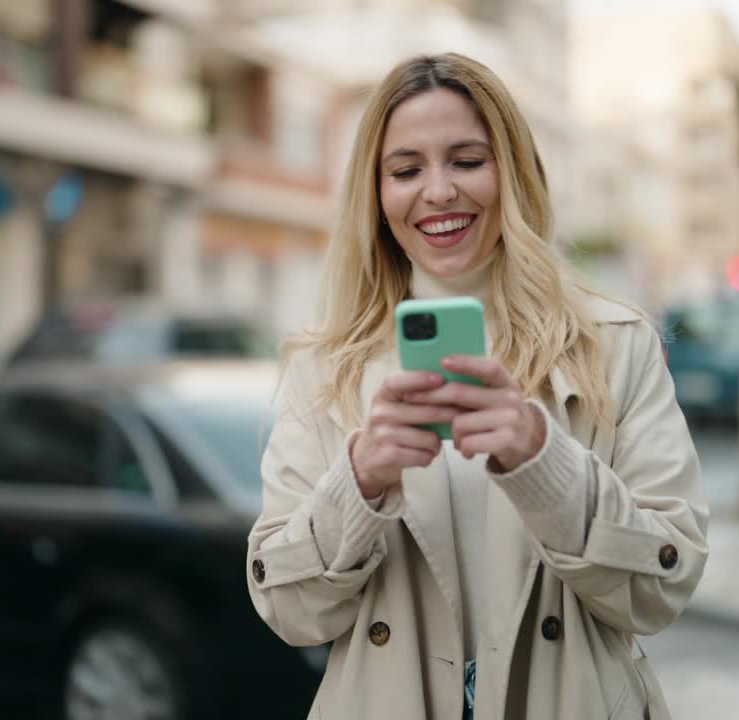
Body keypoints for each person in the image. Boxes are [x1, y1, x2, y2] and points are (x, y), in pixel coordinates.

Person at [246, 53, 707, 720]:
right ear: (375, 195)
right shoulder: (325, 366)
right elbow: (289, 611)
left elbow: (666, 584)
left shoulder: (616, 343)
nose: (437, 192)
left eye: (466, 160)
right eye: (406, 170)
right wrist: (360, 480)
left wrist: (545, 464)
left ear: (512, 173)